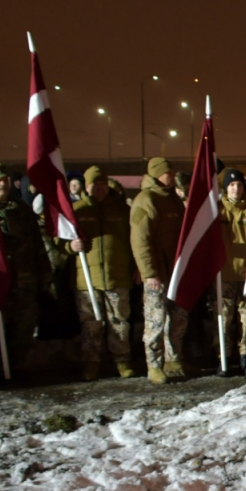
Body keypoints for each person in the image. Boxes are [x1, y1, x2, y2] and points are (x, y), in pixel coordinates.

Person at [0, 164, 51, 378]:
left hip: (24, 281)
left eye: (4, 180)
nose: (2, 183)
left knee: (24, 326)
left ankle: (16, 367)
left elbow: (37, 245)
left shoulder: (21, 210)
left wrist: (45, 275)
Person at [70, 166, 135, 381]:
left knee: (119, 321)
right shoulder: (76, 211)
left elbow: (133, 240)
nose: (99, 188)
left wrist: (136, 268)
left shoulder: (121, 210)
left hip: (117, 277)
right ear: (86, 186)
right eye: (94, 184)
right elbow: (59, 240)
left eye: (102, 184)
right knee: (90, 325)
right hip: (87, 280)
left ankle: (122, 361)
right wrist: (70, 246)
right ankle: (91, 362)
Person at [130, 157, 188, 384]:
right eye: (168, 174)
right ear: (156, 174)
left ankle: (173, 359)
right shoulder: (146, 200)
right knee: (155, 320)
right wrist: (149, 273)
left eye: (173, 173)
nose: (172, 177)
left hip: (176, 271)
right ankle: (154, 365)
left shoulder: (172, 197)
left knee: (178, 318)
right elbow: (140, 239)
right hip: (158, 274)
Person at [216, 169, 246, 376]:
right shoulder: (217, 211)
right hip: (223, 275)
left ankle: (245, 357)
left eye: (239, 185)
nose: (236, 189)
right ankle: (223, 357)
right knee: (224, 319)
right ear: (226, 188)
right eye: (232, 185)